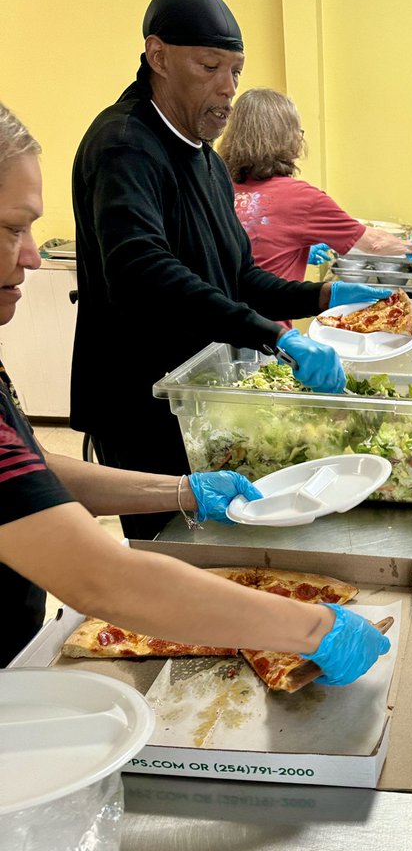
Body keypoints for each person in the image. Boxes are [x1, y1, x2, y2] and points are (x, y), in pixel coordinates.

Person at [0, 101, 388, 684]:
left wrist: (184, 491)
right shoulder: (124, 145)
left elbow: (34, 474)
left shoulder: (204, 164)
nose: (32, 254)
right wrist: (309, 630)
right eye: (11, 228)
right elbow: (99, 578)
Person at [69, 0, 388, 540]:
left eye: (235, 71)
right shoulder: (125, 145)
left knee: (221, 541)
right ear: (158, 56)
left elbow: (239, 277)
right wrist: (274, 336)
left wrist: (321, 299)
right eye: (210, 66)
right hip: (144, 401)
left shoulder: (207, 163)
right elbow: (141, 269)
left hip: (200, 397)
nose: (228, 89)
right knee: (167, 551)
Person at [218, 88, 412, 285]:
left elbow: (250, 247)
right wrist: (411, 248)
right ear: (287, 139)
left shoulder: (219, 187)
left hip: (220, 323)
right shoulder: (301, 199)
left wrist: (295, 253)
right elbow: (374, 244)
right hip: (265, 329)